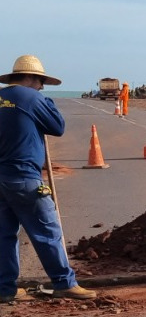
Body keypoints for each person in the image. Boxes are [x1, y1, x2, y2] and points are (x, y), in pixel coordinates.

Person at [0, 55, 97, 303]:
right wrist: (48, 103)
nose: (42, 87)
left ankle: (5, 289)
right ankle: (64, 283)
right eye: (41, 82)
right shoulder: (32, 97)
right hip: (23, 177)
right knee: (46, 230)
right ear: (31, 78)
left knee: (4, 235)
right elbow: (58, 126)